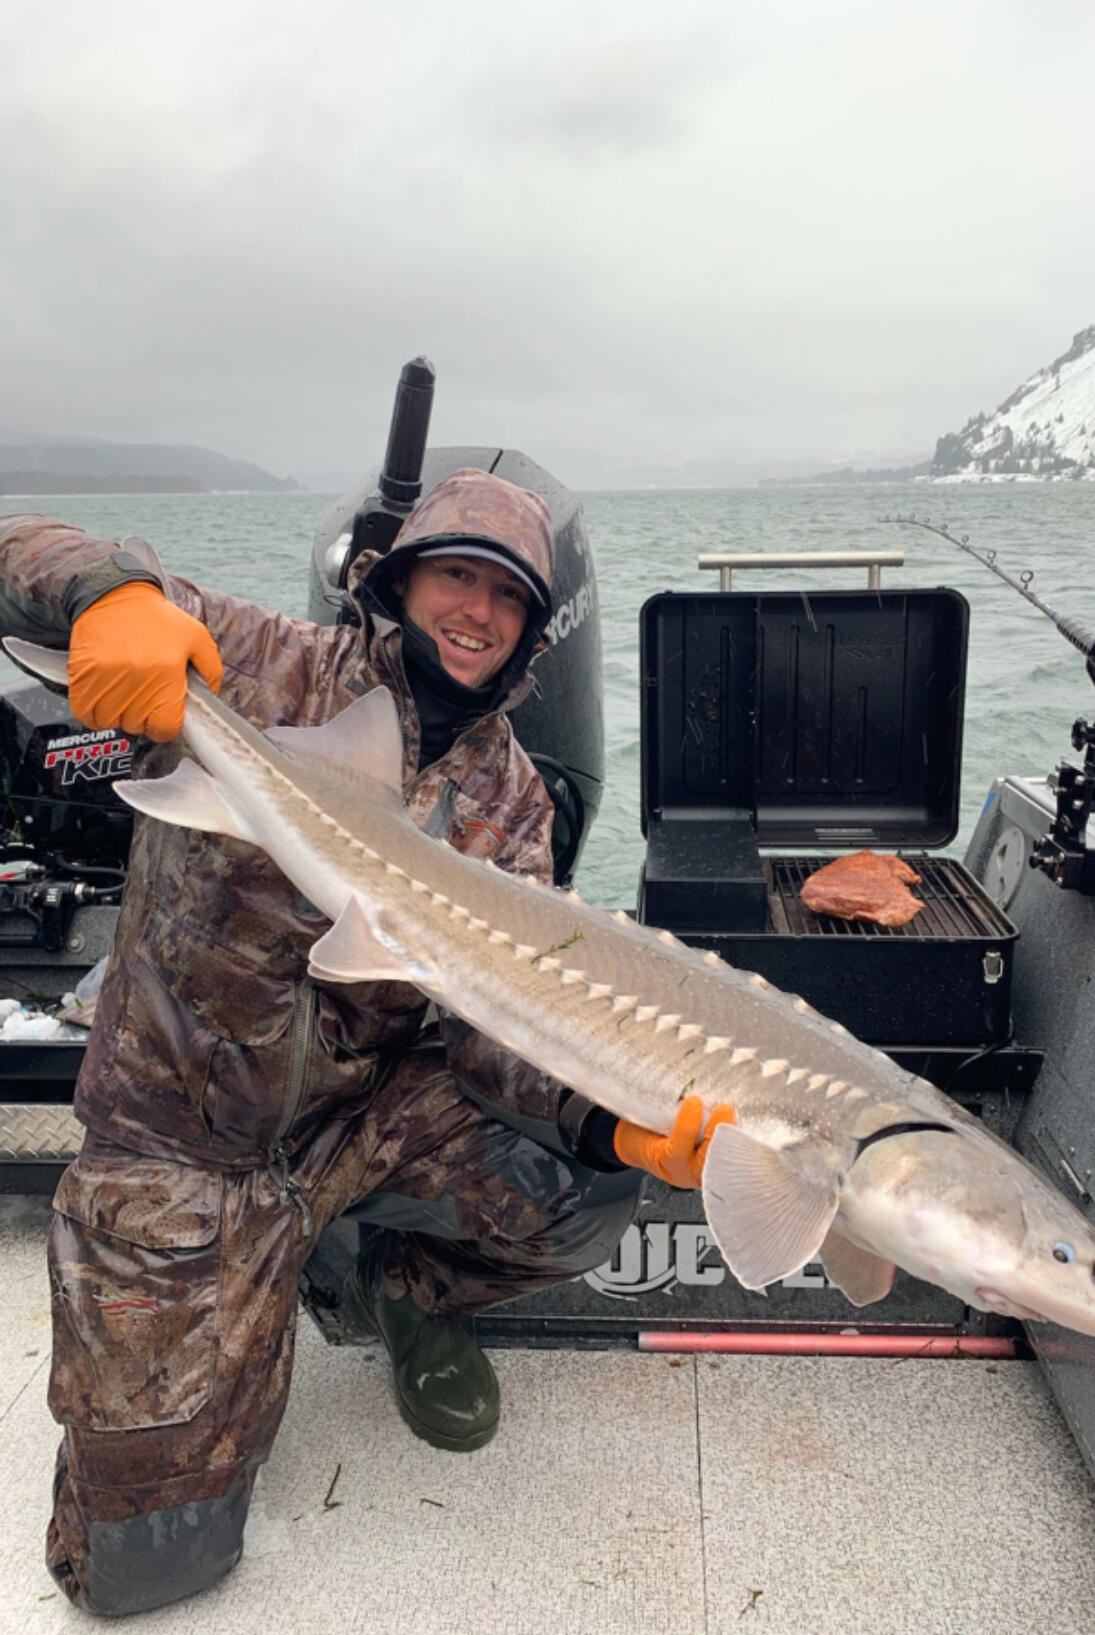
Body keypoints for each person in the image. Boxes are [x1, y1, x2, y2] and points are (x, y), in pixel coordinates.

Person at [0, 468, 732, 1616]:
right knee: (144, 1572)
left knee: (579, 1192)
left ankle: (401, 1286)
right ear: (395, 583)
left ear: (537, 630)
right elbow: (16, 543)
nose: (477, 613)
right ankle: (259, 1274)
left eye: (507, 599)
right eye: (456, 576)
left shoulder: (513, 800)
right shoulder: (259, 656)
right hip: (180, 1145)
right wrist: (107, 595)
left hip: (354, 1119)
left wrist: (608, 1118)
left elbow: (491, 1033)